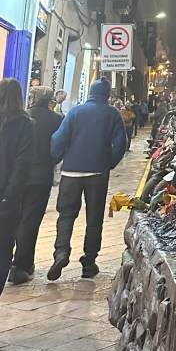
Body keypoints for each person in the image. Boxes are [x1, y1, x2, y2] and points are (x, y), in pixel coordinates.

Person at [47, 76, 127, 280]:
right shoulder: (112, 113)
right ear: (107, 95)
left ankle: (61, 251)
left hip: (70, 172)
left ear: (90, 92)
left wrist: (58, 156)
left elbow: (58, 138)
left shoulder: (75, 112)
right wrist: (108, 163)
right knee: (94, 217)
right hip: (97, 174)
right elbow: (121, 144)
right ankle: (89, 262)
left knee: (66, 214)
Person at [7, 86, 62, 285]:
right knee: (31, 221)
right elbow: (60, 146)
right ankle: (21, 265)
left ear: (32, 98)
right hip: (41, 177)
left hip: (19, 177)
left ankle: (15, 262)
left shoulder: (23, 117)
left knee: (15, 218)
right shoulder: (57, 119)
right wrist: (52, 161)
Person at [0, 79, 35, 295]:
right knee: (4, 249)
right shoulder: (25, 124)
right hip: (7, 199)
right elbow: (22, 165)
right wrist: (10, 196)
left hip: (7, 197)